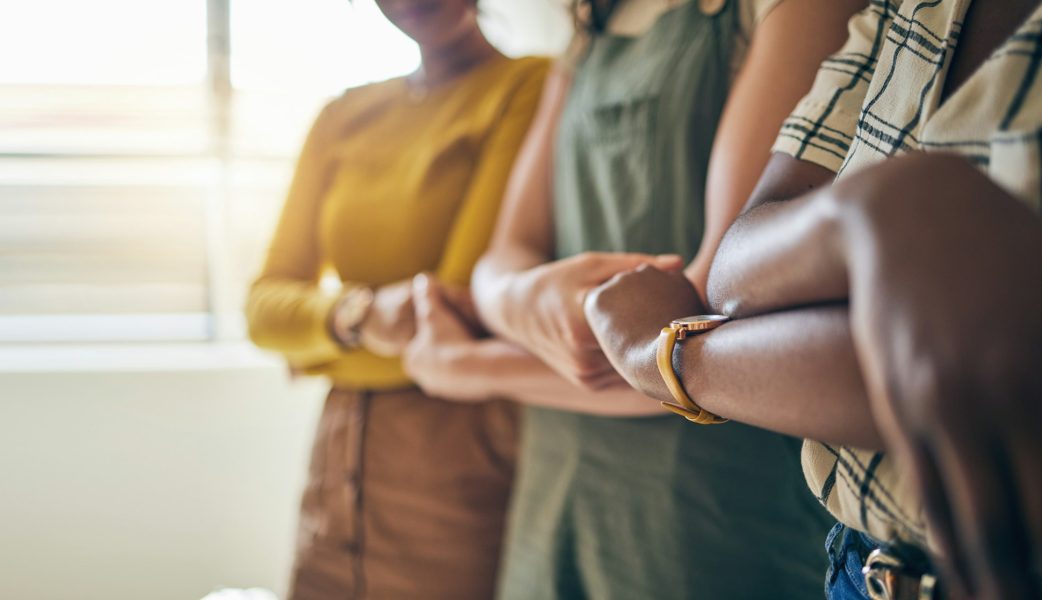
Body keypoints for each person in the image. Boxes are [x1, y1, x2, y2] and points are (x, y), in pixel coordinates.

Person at [401, 0, 865, 597]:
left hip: (707, 512)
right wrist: (527, 293)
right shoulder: (586, 32)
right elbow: (503, 257)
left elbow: (706, 324)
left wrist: (467, 368)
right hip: (556, 494)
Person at [584, 1, 1042, 598]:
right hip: (857, 570)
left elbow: (979, 365)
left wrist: (662, 354)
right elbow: (734, 274)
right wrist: (866, 214)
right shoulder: (905, 8)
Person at [244, 0, 548, 597]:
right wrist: (353, 316)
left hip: (458, 452)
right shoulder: (342, 114)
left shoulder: (526, 86)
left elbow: (455, 317)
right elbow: (261, 308)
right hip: (336, 457)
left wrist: (314, 344)